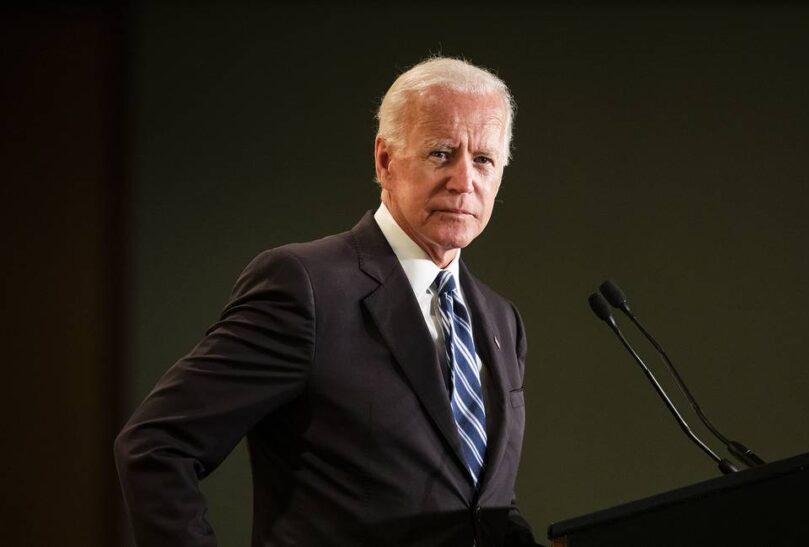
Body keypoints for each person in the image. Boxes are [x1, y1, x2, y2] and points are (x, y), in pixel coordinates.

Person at [115, 56, 542, 547]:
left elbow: (476, 505)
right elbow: (155, 446)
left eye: (484, 160)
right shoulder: (307, 287)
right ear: (385, 160)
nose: (464, 180)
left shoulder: (499, 321)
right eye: (442, 154)